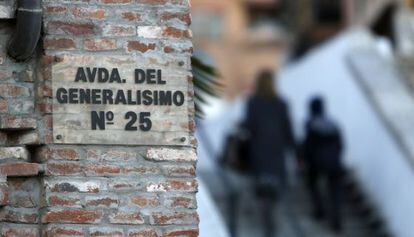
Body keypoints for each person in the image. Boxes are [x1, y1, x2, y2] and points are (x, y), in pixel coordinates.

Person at [245, 70, 296, 237]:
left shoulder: (252, 103)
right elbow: (288, 130)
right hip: (277, 156)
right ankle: (273, 227)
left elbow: (249, 127)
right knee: (276, 194)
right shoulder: (281, 103)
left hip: (259, 155)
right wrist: (296, 152)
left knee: (262, 194)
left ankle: (266, 226)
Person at [302, 96, 344, 232]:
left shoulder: (310, 124)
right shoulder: (333, 124)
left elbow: (308, 145)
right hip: (334, 162)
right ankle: (336, 219)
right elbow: (340, 144)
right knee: (335, 190)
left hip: (317, 162)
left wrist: (305, 159)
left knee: (312, 183)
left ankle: (319, 210)